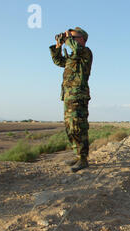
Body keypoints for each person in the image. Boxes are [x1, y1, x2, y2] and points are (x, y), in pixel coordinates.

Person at [50, 27, 93, 172]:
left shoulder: (85, 52)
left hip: (78, 96)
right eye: (71, 38)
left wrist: (68, 38)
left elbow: (77, 50)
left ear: (82, 39)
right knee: (70, 128)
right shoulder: (72, 57)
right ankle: (77, 155)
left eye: (74, 37)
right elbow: (58, 61)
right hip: (68, 96)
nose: (71, 40)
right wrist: (58, 45)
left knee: (79, 127)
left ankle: (83, 159)